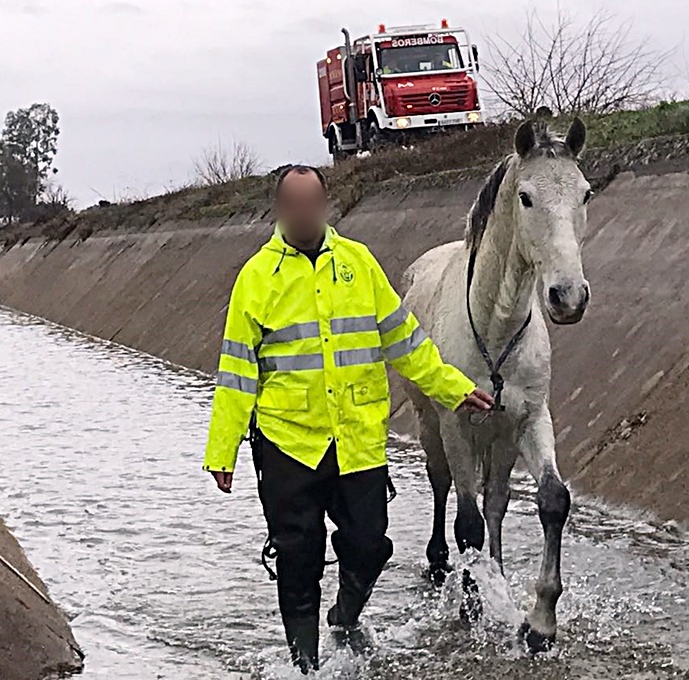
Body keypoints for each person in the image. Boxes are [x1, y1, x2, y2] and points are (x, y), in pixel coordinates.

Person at [203, 165, 493, 673]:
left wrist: (452, 388)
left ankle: (344, 614)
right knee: (298, 559)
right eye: (293, 204)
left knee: (370, 543)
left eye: (312, 202)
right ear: (280, 210)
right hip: (288, 443)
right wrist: (222, 449)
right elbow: (236, 373)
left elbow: (405, 342)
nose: (304, 213)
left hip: (357, 439)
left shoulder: (358, 264)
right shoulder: (256, 279)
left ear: (324, 205)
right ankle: (306, 665)